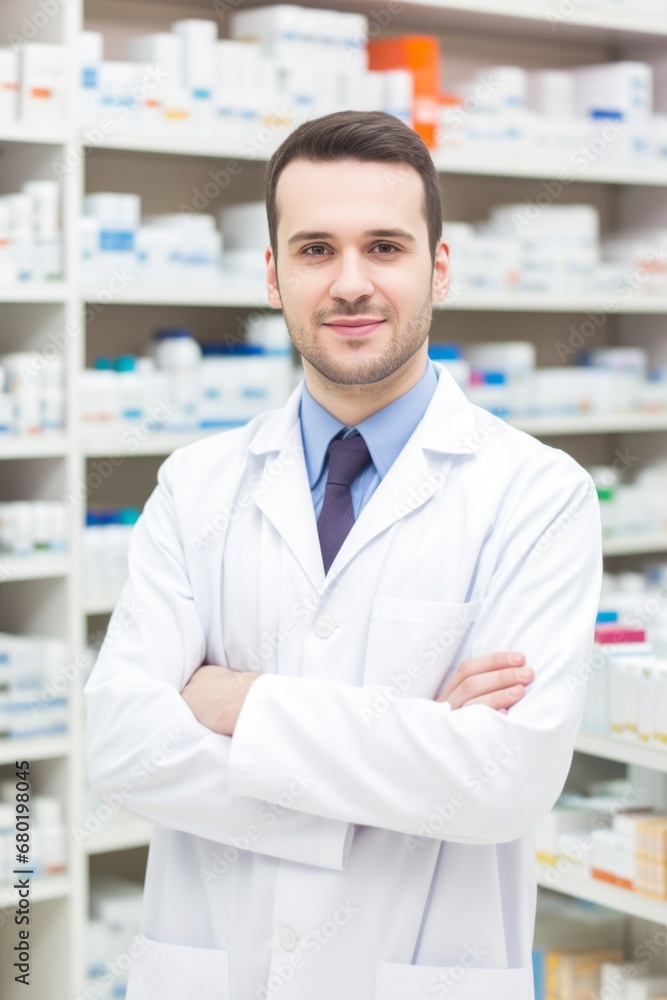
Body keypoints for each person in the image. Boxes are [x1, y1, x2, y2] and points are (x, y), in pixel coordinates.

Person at [84, 109, 603, 1000]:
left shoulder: (537, 495)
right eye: (316, 249)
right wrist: (406, 756)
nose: (350, 283)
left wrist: (235, 701)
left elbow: (502, 783)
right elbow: (123, 745)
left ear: (438, 267)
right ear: (274, 274)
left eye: (386, 248)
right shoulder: (197, 486)